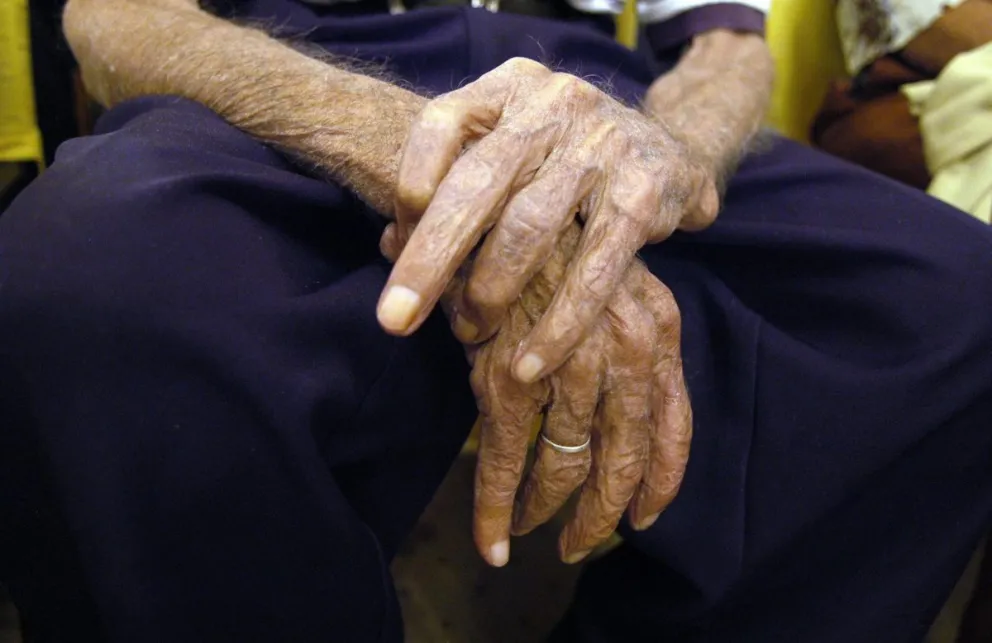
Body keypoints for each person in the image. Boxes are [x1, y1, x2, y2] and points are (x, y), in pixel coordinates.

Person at [0, 0, 990, 640]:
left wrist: (657, 156)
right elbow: (114, 21)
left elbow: (726, 48)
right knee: (82, 274)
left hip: (603, 94)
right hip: (276, 80)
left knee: (946, 301)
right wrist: (394, 139)